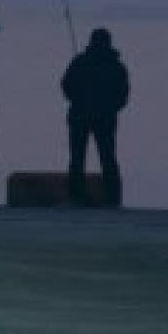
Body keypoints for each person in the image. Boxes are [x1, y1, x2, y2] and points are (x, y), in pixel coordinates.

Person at [61, 28, 130, 207]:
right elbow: (123, 94)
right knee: (108, 158)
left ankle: (77, 197)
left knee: (77, 158)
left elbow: (66, 85)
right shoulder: (116, 66)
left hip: (79, 116)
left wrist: (78, 100)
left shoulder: (80, 62)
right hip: (105, 118)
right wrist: (111, 108)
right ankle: (112, 199)